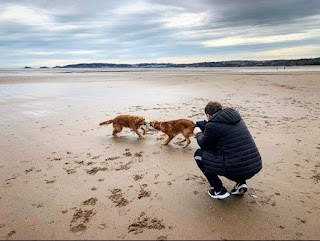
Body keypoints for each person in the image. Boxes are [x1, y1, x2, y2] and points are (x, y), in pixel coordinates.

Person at [193, 101, 262, 200]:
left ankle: (218, 190)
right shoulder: (237, 119)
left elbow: (203, 144)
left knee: (199, 155)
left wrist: (198, 133)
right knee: (234, 154)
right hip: (254, 164)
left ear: (208, 115)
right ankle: (241, 183)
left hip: (236, 168)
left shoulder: (213, 125)